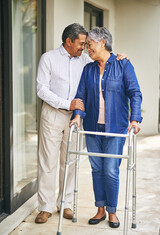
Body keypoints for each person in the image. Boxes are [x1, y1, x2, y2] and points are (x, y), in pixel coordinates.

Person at [35, 23, 128, 224]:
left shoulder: (85, 59)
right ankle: (45, 207)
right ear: (68, 41)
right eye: (81, 43)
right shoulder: (48, 58)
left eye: (87, 44)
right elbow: (41, 90)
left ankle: (65, 203)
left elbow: (103, 56)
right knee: (47, 162)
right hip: (53, 114)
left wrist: (120, 57)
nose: (85, 47)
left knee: (69, 162)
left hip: (75, 118)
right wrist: (66, 103)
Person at [70, 27, 142, 228]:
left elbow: (135, 93)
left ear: (102, 42)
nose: (87, 49)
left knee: (110, 170)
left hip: (115, 129)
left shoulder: (123, 65)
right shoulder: (89, 69)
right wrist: (77, 117)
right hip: (92, 127)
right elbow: (81, 96)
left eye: (89, 45)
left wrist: (135, 119)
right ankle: (100, 209)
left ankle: (112, 211)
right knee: (96, 169)